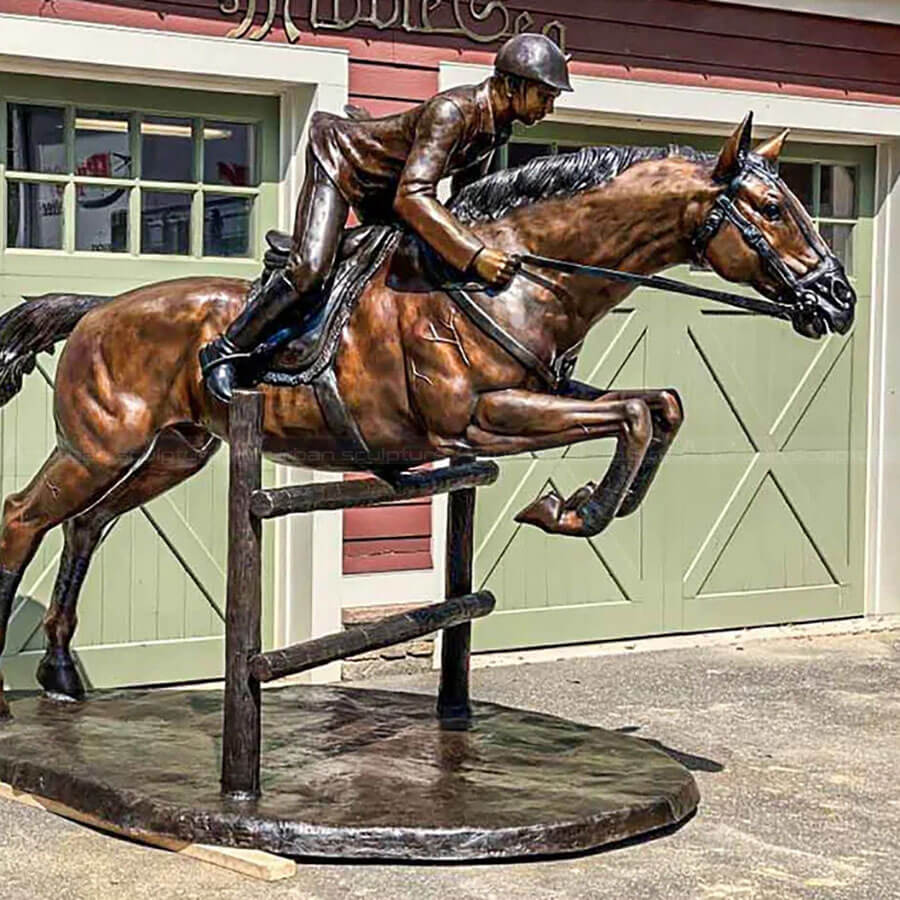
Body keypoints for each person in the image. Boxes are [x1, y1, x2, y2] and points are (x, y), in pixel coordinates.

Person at [200, 33, 573, 403]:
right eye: (544, 96)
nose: (549, 108)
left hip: (388, 187)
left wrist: (488, 244)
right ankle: (226, 349)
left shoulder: (497, 127)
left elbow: (465, 199)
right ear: (510, 85)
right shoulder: (453, 112)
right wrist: (476, 255)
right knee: (311, 270)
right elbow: (413, 196)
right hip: (344, 163)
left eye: (552, 98)